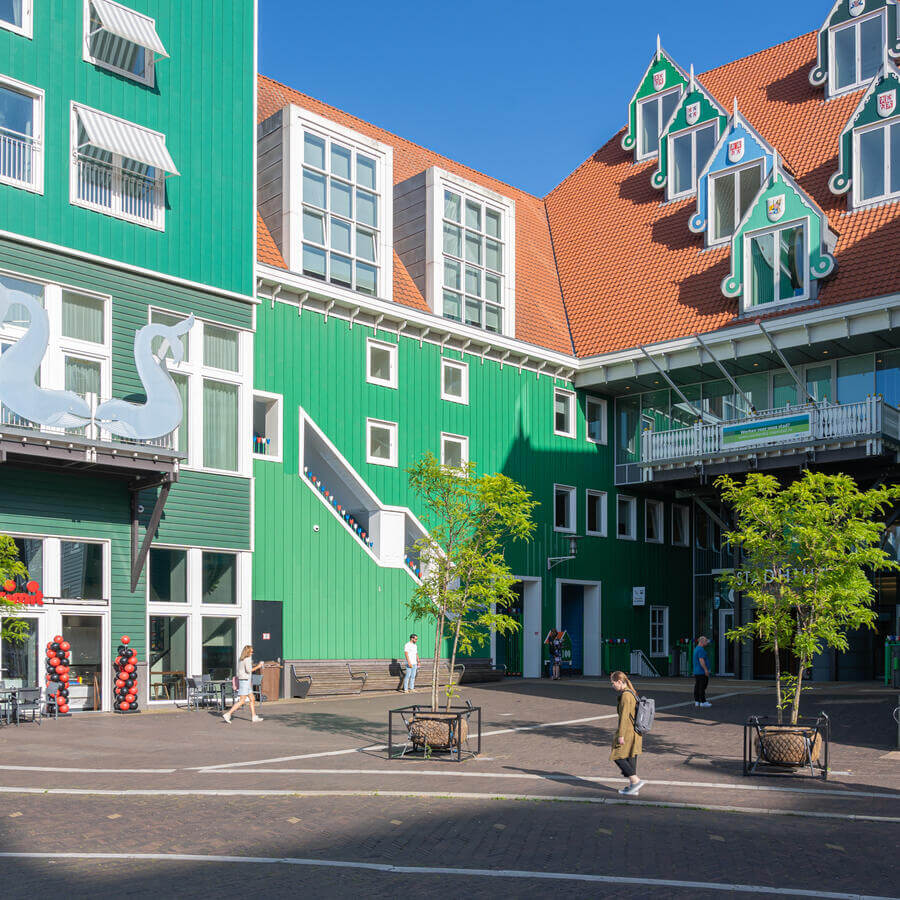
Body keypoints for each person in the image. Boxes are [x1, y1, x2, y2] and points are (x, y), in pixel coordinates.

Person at [610, 670, 645, 795]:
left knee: (617, 755)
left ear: (619, 682)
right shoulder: (632, 692)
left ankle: (635, 781)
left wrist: (621, 735)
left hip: (629, 732)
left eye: (613, 683)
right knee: (631, 757)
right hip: (636, 732)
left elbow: (624, 717)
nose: (612, 685)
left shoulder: (625, 695)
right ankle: (633, 788)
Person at [223, 645, 264, 723]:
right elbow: (249, 670)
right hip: (245, 682)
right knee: (242, 701)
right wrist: (258, 666)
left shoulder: (241, 659)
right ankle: (228, 714)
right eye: (251, 651)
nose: (252, 653)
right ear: (248, 652)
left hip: (245, 681)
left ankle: (254, 716)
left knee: (252, 698)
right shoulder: (247, 659)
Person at [693, 636, 712, 708]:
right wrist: (706, 670)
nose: (707, 642)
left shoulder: (696, 649)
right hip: (701, 672)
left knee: (697, 686)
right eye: (706, 641)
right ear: (702, 642)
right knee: (702, 686)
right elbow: (701, 660)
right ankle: (703, 702)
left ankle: (697, 701)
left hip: (697, 671)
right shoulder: (701, 649)